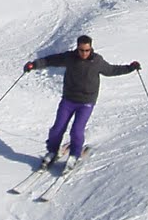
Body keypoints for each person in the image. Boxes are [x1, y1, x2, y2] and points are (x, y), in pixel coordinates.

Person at [23, 34, 140, 164]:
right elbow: (51, 60)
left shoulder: (97, 61)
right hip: (68, 100)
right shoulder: (69, 58)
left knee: (76, 131)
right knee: (57, 128)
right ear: (77, 48)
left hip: (86, 103)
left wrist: (130, 67)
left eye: (87, 50)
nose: (84, 53)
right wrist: (33, 65)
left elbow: (111, 70)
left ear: (91, 48)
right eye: (81, 50)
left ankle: (74, 154)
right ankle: (52, 151)